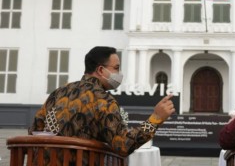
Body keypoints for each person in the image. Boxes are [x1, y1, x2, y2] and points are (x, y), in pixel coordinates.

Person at [29, 46, 175, 163]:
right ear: (100, 70)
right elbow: (123, 145)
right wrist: (156, 118)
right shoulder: (103, 100)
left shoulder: (58, 92)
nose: (120, 73)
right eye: (116, 68)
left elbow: (35, 130)